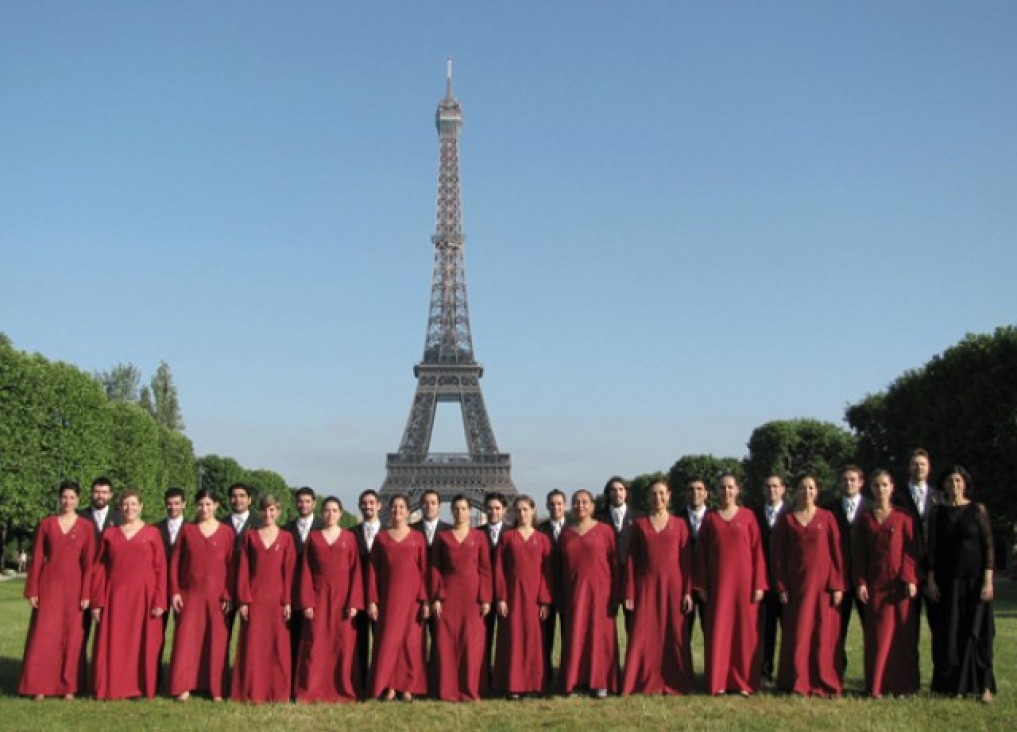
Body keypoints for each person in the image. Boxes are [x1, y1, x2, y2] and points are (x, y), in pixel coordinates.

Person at [19, 480, 95, 700]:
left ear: (78, 500)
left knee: (72, 637)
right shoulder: (47, 524)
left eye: (72, 497)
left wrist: (86, 593)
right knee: (44, 635)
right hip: (49, 585)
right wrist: (32, 589)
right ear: (59, 498)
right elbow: (37, 559)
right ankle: (38, 685)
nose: (67, 501)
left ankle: (68, 687)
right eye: (64, 497)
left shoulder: (86, 527)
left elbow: (89, 563)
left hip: (75, 587)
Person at [694, 472, 767, 696]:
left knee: (745, 634)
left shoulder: (748, 516)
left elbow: (757, 552)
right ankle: (719, 680)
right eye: (722, 488)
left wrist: (759, 584)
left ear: (737, 490)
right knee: (719, 631)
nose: (726, 492)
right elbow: (702, 554)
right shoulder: (710, 518)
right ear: (716, 491)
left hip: (745, 586)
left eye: (730, 487)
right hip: (718, 585)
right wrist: (702, 585)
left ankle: (744, 681)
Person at [927, 466, 996, 703]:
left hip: (975, 581)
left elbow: (988, 548)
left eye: (958, 480)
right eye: (949, 481)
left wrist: (988, 580)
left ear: (965, 483)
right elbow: (932, 549)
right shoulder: (937, 512)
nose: (954, 485)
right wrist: (931, 578)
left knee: (977, 632)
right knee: (950, 632)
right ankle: (954, 686)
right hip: (947, 582)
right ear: (943, 485)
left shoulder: (978, 510)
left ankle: (984, 686)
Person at [90, 489, 167, 700]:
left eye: (133, 504)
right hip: (115, 596)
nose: (129, 508)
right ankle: (113, 685)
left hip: (144, 596)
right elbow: (99, 569)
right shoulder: (109, 534)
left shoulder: (152, 533)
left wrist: (160, 600)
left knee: (141, 643)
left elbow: (160, 568)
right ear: (120, 507)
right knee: (115, 642)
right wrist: (97, 601)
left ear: (141, 506)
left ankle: (138, 687)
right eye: (125, 504)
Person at [772, 474, 845, 697]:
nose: (807, 492)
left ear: (817, 491)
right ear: (795, 491)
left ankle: (824, 679)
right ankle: (797, 680)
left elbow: (836, 553)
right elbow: (778, 556)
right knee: (798, 634)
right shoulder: (787, 520)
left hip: (823, 588)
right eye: (803, 488)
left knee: (823, 634)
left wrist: (838, 585)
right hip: (796, 588)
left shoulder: (828, 517)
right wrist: (781, 586)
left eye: (811, 488)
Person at [621, 479, 693, 696]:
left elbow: (687, 560)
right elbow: (633, 560)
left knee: (674, 633)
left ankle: (676, 679)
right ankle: (643, 678)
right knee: (644, 633)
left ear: (669, 495)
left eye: (662, 493)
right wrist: (630, 591)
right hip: (647, 586)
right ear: (648, 497)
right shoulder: (640, 525)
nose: (658, 498)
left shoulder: (680, 525)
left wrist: (688, 591)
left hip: (674, 586)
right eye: (654, 494)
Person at [853, 470, 919, 698]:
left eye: (884, 485)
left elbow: (911, 551)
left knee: (902, 637)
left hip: (899, 586)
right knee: (877, 636)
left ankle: (903, 685)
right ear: (870, 489)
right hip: (875, 585)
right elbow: (859, 555)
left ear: (892, 487)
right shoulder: (865, 519)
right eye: (876, 485)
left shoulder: (903, 517)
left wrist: (910, 578)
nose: (880, 489)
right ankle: (876, 685)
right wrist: (861, 582)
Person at [167, 488, 235, 702]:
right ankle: (184, 685)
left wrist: (228, 594)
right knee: (187, 640)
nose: (204, 509)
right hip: (191, 595)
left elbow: (232, 566)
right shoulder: (187, 530)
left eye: (208, 504)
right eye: (201, 504)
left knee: (216, 641)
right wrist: (175, 591)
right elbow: (175, 563)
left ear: (216, 505)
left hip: (216, 597)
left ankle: (215, 688)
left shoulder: (226, 533)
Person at [294, 496, 363, 703]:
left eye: (334, 510)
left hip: (343, 600)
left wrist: (354, 602)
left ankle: (341, 688)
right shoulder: (313, 538)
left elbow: (355, 571)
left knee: (342, 645)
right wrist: (306, 602)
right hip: (318, 598)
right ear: (321, 513)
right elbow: (304, 571)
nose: (330, 514)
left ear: (341, 513)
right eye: (327, 510)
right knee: (315, 644)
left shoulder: (349, 538)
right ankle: (311, 687)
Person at [231, 494, 297, 703]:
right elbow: (243, 570)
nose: (268, 514)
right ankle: (251, 689)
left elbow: (290, 572)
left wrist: (288, 601)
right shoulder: (250, 536)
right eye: (264, 510)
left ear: (278, 511)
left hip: (277, 600)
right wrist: (243, 600)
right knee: (253, 645)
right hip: (255, 599)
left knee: (277, 647)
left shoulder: (287, 538)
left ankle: (277, 691)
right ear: (259, 512)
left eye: (272, 510)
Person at [367, 493, 429, 702]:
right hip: (389, 598)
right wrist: (373, 600)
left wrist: (424, 599)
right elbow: (373, 570)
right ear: (389, 509)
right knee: (388, 641)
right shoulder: (381, 538)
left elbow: (424, 571)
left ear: (409, 511)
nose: (398, 511)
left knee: (410, 644)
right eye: (394, 507)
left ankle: (408, 686)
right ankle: (389, 685)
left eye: (402, 507)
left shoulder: (418, 537)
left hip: (412, 599)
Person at [430, 494, 492, 701]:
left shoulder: (479, 537)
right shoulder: (442, 537)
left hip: (472, 596)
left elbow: (485, 569)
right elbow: (435, 568)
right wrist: (437, 597)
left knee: (471, 643)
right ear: (451, 511)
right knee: (445, 643)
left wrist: (485, 598)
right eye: (456, 508)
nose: (460, 512)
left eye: (464, 508)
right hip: (448, 595)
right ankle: (447, 688)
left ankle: (470, 687)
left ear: (470, 511)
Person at [558, 489, 619, 698]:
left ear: (593, 506)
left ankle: (600, 681)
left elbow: (614, 564)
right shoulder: (566, 534)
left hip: (601, 593)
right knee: (576, 635)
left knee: (599, 637)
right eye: (576, 502)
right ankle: (576, 680)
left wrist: (616, 593)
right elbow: (560, 567)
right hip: (574, 592)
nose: (580, 506)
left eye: (585, 502)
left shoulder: (605, 531)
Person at [493, 495, 553, 698]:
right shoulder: (507, 538)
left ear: (533, 511)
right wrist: (501, 597)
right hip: (513, 597)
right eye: (518, 510)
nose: (522, 513)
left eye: (526, 509)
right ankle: (513, 684)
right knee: (513, 639)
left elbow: (547, 572)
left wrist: (544, 600)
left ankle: (533, 683)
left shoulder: (543, 539)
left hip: (534, 598)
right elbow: (499, 569)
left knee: (533, 641)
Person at [77, 475, 122, 691]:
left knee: (109, 634)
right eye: (97, 491)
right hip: (81, 582)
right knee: (79, 633)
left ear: (111, 495)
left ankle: (105, 676)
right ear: (91, 493)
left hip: (110, 581)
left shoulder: (121, 518)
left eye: (104, 492)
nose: (100, 495)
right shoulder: (79, 517)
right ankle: (77, 678)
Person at [825, 465, 871, 675]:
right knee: (836, 631)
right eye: (845, 480)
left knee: (870, 629)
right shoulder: (829, 510)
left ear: (861, 482)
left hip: (865, 579)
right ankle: (836, 673)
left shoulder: (871, 508)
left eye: (853, 479)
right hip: (839, 578)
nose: (849, 483)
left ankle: (873, 674)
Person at [892, 448, 943, 634]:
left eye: (922, 464)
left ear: (929, 468)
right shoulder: (897, 498)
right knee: (907, 627)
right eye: (915, 464)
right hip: (906, 567)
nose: (918, 468)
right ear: (908, 468)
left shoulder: (940, 497)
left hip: (935, 568)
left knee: (938, 624)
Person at [411, 488, 450, 695]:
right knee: (413, 641)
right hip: (413, 594)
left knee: (441, 640)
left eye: (433, 502)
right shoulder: (409, 530)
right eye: (425, 502)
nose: (429, 506)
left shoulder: (451, 531)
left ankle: (437, 681)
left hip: (443, 595)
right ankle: (415, 680)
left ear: (439, 505)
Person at [283, 486, 323, 687]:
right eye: (300, 501)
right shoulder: (286, 529)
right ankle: (291, 678)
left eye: (307, 501)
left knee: (314, 637)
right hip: (291, 587)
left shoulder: (324, 527)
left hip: (316, 591)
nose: (304, 505)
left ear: (314, 503)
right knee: (292, 634)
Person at [594, 476, 641, 636]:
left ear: (626, 492)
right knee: (605, 622)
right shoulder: (598, 519)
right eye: (613, 490)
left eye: (621, 489)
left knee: (633, 622)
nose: (617, 493)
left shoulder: (639, 518)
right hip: (606, 577)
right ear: (608, 494)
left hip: (631, 577)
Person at [753, 474, 786, 683]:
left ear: (783, 489)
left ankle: (790, 671)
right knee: (765, 630)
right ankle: (764, 671)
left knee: (790, 628)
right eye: (767, 486)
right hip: (763, 582)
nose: (771, 490)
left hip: (786, 582)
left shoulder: (792, 513)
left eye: (775, 486)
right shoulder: (753, 515)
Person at [155, 486, 187, 687]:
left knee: (183, 634)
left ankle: (180, 677)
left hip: (183, 589)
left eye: (177, 503)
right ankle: (156, 676)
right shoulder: (154, 529)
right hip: (159, 587)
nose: (172, 507)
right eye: (169, 503)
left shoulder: (192, 528)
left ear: (184, 504)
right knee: (157, 634)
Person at [536, 488, 567, 687]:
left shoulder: (575, 528)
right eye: (552, 503)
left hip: (567, 591)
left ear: (564, 506)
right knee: (543, 636)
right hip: (545, 590)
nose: (555, 507)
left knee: (570, 634)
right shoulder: (539, 531)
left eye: (559, 503)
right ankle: (544, 674)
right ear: (547, 506)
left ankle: (567, 674)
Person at [352, 489, 382, 692]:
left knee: (382, 640)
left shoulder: (391, 532)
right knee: (358, 640)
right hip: (358, 593)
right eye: (364, 503)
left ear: (379, 505)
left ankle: (381, 681)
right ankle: (360, 681)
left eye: (372, 502)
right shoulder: (350, 534)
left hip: (384, 595)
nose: (368, 506)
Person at [678, 477, 709, 647]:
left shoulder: (715, 517)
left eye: (699, 489)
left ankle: (712, 671)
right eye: (690, 489)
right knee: (682, 631)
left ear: (706, 493)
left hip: (708, 582)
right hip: (684, 582)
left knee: (710, 630)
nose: (695, 493)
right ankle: (682, 672)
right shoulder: (676, 520)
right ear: (685, 494)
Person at [481, 491, 507, 686]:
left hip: (507, 594)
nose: (493, 512)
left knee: (508, 637)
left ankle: (504, 676)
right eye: (489, 508)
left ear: (504, 510)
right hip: (482, 595)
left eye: (497, 508)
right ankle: (483, 677)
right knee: (483, 638)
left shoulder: (513, 533)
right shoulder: (476, 533)